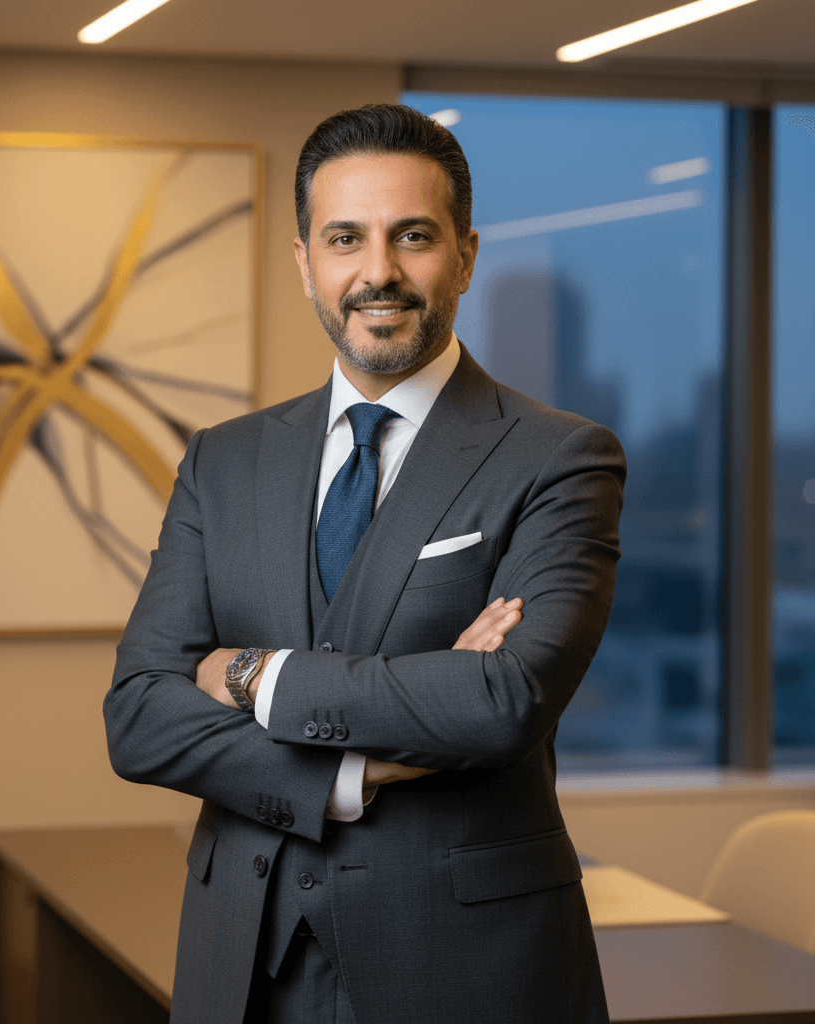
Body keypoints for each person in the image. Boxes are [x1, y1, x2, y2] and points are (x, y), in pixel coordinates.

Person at [105, 102, 625, 1024]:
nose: (377, 272)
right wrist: (353, 773)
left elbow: (499, 702)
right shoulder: (222, 461)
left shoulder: (560, 457)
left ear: (465, 255)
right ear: (305, 260)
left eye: (412, 236)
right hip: (242, 959)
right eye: (345, 238)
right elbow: (141, 715)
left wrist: (247, 673)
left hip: (465, 967)